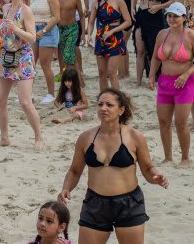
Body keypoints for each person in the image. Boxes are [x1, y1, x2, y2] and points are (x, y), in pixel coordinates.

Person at [58, 89, 168, 242]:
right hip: (95, 203)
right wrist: (66, 188)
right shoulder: (86, 137)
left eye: (109, 105)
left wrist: (156, 177)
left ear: (121, 110)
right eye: (100, 104)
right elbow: (75, 170)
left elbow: (148, 168)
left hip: (129, 204)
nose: (103, 108)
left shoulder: (134, 136)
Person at [0, 0, 45, 150]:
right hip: (7, 56)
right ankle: (4, 138)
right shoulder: (6, 7)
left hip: (23, 57)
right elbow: (5, 29)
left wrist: (17, 29)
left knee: (25, 102)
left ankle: (39, 137)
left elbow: (32, 37)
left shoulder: (26, 11)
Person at [147, 2, 194, 164]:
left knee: (181, 122)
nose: (172, 19)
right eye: (169, 16)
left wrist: (187, 73)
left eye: (176, 16)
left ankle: (185, 157)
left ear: (184, 18)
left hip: (185, 84)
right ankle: (168, 157)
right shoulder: (162, 34)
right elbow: (155, 57)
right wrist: (152, 76)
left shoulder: (190, 35)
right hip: (165, 83)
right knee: (164, 121)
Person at [131, 0, 173, 85]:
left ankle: (155, 77)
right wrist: (132, 8)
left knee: (156, 49)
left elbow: (172, 0)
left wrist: (159, 6)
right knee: (140, 50)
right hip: (141, 16)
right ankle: (138, 82)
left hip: (155, 18)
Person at [88, 0, 132, 92]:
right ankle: (103, 97)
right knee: (101, 72)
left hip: (115, 36)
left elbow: (128, 21)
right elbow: (91, 21)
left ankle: (116, 98)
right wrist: (89, 35)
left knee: (112, 72)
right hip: (101, 36)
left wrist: (113, 31)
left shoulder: (119, 0)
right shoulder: (95, 2)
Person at [28, 0, 61, 104]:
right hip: (34, 29)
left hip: (47, 29)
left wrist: (44, 30)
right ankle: (28, 93)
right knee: (30, 63)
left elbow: (57, 17)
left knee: (45, 64)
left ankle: (51, 94)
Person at [55, 0, 86, 82]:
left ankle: (78, 82)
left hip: (72, 28)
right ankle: (73, 80)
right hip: (59, 29)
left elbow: (81, 15)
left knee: (69, 56)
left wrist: (83, 33)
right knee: (66, 57)